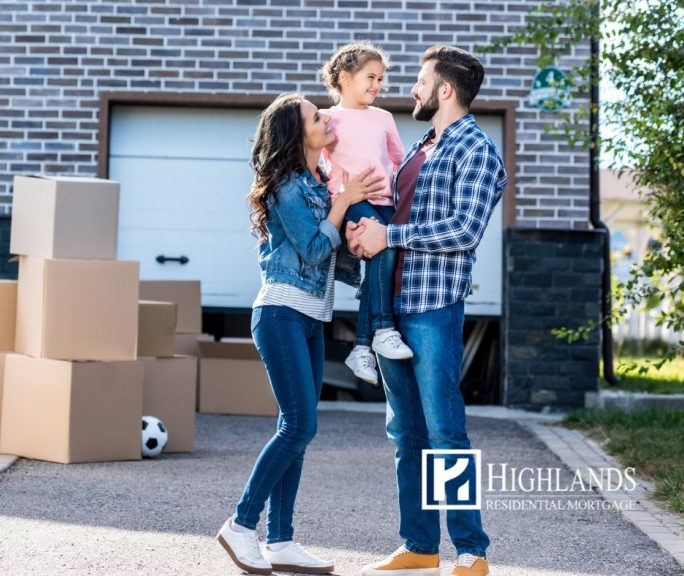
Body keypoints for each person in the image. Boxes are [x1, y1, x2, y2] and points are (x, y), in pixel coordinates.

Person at [347, 45, 506, 576]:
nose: (411, 89)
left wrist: (388, 234)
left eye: (420, 81)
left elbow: (463, 231)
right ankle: (419, 546)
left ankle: (471, 551)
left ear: (445, 89)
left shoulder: (477, 151)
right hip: (391, 306)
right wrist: (364, 234)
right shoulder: (419, 147)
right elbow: (390, 216)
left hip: (433, 305)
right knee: (405, 434)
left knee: (444, 431)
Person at [216, 92, 384, 575]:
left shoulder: (319, 183)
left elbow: (334, 258)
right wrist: (345, 203)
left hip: (312, 316)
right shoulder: (286, 186)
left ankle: (281, 540)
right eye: (316, 116)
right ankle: (241, 524)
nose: (326, 118)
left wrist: (360, 236)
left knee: (298, 429)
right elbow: (312, 250)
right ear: (298, 133)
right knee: (299, 425)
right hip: (281, 313)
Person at [320, 42, 414, 386]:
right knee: (382, 253)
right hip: (353, 201)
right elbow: (317, 163)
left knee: (382, 261)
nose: (377, 85)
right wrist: (340, 200)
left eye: (381, 79)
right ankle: (382, 330)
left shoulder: (384, 118)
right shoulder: (328, 119)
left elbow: (399, 162)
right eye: (370, 77)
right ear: (345, 78)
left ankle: (362, 346)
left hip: (385, 201)